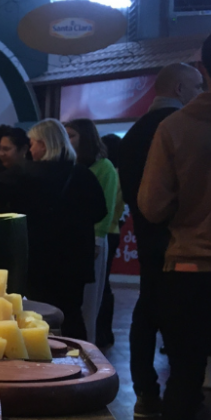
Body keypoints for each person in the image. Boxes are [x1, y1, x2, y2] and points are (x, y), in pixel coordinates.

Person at [138, 29, 211, 420]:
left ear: (204, 70)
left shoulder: (176, 128)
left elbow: (152, 205)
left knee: (186, 372)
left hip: (191, 268)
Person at [119, 62, 206, 419]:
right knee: (185, 326)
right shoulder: (180, 128)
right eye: (198, 86)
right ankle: (184, 406)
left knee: (147, 310)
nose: (202, 93)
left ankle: (146, 393)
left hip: (147, 238)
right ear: (180, 89)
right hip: (182, 240)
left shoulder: (133, 133)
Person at [0, 119, 107, 339]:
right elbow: (99, 212)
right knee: (71, 313)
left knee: (38, 314)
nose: (30, 149)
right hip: (75, 260)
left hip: (39, 259)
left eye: (32, 143)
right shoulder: (82, 174)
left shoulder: (26, 172)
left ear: (43, 144)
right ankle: (77, 354)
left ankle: (45, 355)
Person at [66, 118, 120, 346]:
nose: (67, 140)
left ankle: (89, 343)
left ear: (86, 138)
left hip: (95, 237)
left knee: (91, 296)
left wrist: (97, 239)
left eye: (72, 135)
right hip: (73, 238)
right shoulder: (70, 164)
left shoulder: (104, 167)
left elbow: (106, 207)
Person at [96, 133, 126, 346]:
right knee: (105, 285)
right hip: (114, 230)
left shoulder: (107, 173)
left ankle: (102, 331)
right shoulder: (121, 174)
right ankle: (106, 332)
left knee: (101, 286)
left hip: (106, 233)